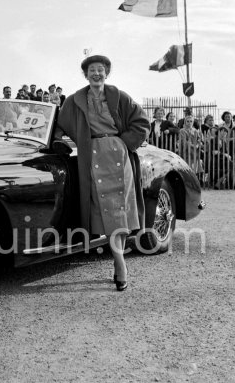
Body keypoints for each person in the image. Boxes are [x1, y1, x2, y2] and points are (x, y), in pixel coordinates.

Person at [56, 55, 149, 292]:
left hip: (118, 155)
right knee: (106, 212)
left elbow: (142, 122)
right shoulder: (75, 100)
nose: (96, 73)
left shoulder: (119, 96)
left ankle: (119, 265)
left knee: (119, 212)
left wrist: (124, 142)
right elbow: (60, 124)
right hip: (93, 156)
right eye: (91, 70)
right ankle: (120, 264)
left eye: (100, 70)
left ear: (107, 73)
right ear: (85, 74)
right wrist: (60, 143)